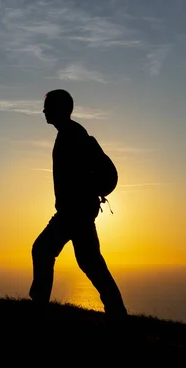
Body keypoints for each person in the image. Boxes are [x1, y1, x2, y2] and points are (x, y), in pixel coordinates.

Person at [29, 89, 128, 318]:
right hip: (76, 210)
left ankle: (39, 306)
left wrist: (81, 195)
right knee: (89, 261)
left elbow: (83, 173)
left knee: (43, 250)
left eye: (49, 106)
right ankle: (117, 311)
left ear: (60, 109)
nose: (44, 111)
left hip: (74, 212)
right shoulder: (69, 133)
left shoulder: (72, 135)